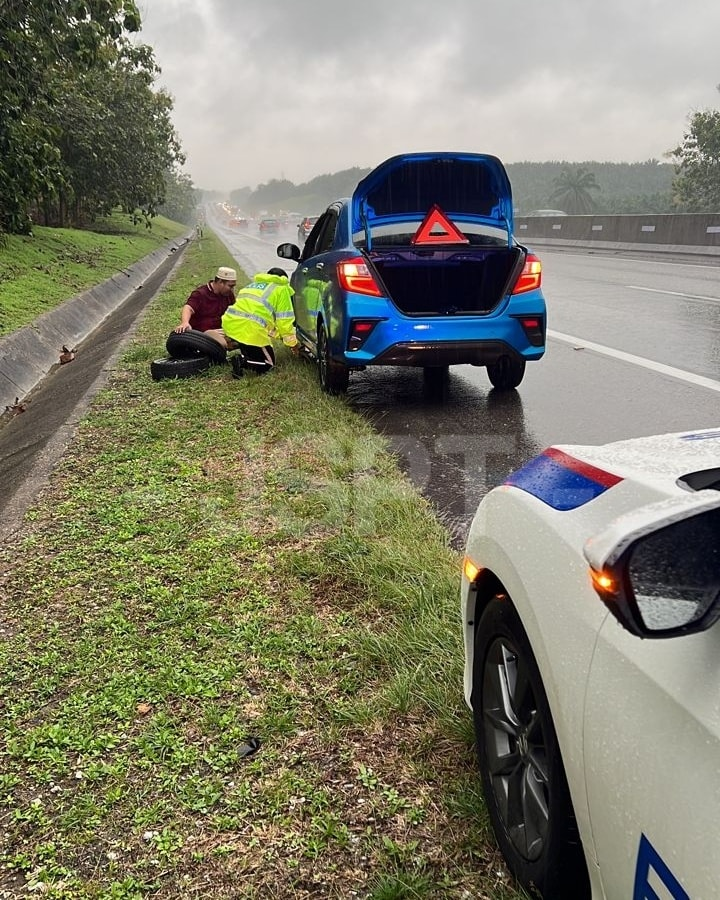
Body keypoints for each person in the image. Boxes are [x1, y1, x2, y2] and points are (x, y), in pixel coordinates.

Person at [221, 268, 298, 377]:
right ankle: (241, 361)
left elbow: (265, 322)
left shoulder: (252, 286)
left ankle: (244, 358)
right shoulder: (281, 289)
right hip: (251, 328)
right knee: (268, 364)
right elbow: (284, 321)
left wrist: (279, 336)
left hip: (231, 324)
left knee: (254, 353)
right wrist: (293, 343)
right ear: (284, 279)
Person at [174, 266, 237, 347]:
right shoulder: (201, 293)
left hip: (222, 330)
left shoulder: (228, 295)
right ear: (220, 282)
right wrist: (184, 322)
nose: (232, 290)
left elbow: (234, 311)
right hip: (204, 332)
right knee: (221, 343)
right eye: (230, 286)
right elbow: (188, 308)